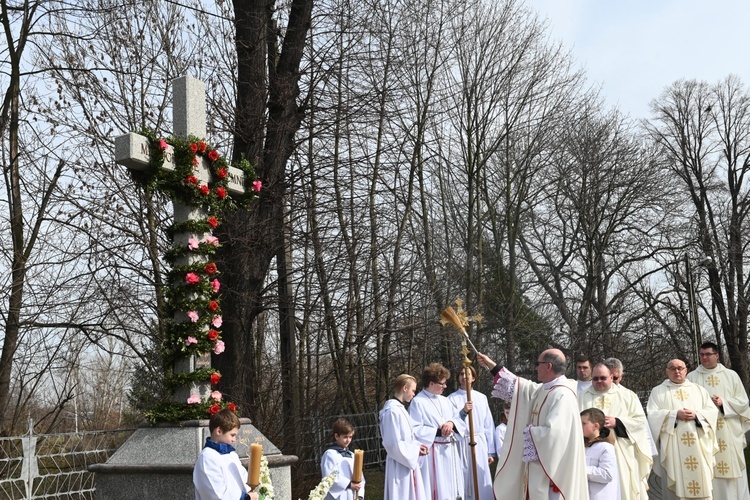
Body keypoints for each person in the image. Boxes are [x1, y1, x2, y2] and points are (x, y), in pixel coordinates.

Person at [477, 350, 589, 499]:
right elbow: (519, 387)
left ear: (548, 366)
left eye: (538, 364)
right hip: (538, 469)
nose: (536, 367)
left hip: (552, 475)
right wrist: (492, 365)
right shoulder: (544, 389)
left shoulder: (563, 394)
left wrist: (531, 433)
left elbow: (557, 436)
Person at [647, 358, 718, 500]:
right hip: (673, 447)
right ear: (667, 371)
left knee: (701, 477)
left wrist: (697, 415)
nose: (677, 371)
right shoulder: (658, 391)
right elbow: (652, 415)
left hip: (698, 445)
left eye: (680, 368)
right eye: (672, 368)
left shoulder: (698, 390)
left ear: (686, 370)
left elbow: (712, 412)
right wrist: (674, 414)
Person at [579, 363, 652, 499]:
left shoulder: (627, 395)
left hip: (621, 451)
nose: (599, 381)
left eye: (603, 378)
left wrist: (617, 422)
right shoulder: (582, 396)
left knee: (624, 487)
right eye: (595, 378)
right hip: (591, 452)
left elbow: (640, 422)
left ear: (611, 377)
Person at [687, 341, 750, 500]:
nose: (704, 358)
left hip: (728, 431)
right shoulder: (692, 377)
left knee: (732, 475)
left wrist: (724, 403)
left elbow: (743, 402)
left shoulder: (730, 375)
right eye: (702, 354)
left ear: (717, 355)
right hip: (705, 431)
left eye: (708, 354)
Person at [409, 363, 466, 500]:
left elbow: (457, 418)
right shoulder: (418, 402)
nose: (445, 387)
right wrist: (438, 431)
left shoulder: (445, 400)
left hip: (450, 449)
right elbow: (414, 429)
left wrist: (451, 423)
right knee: (438, 488)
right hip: (433, 452)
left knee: (453, 486)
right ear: (431, 383)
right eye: (442, 383)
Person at [447, 365, 495, 500]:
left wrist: (490, 451)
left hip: (479, 443)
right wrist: (462, 412)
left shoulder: (481, 397)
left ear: (473, 378)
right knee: (464, 475)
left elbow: (488, 425)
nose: (464, 377)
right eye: (461, 374)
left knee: (480, 476)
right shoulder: (451, 399)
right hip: (462, 442)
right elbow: (450, 420)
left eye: (468, 374)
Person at [380, 374, 428, 500]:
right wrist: (415, 451)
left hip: (406, 462)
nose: (414, 394)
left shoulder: (400, 409)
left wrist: (418, 446)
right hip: (399, 464)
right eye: (413, 390)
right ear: (405, 388)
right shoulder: (392, 411)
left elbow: (406, 439)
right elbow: (393, 444)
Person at [193, 409, 258, 500]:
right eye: (232, 435)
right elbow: (215, 492)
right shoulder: (207, 457)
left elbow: (243, 480)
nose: (234, 440)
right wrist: (245, 498)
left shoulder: (232, 454)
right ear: (219, 431)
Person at [581, 408, 621, 500]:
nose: (579, 426)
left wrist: (581, 470)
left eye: (583, 423)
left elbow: (607, 474)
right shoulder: (581, 445)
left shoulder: (606, 447)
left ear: (596, 426)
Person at [320, 418, 365, 500]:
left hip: (352, 495)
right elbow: (329, 477)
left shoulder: (352, 455)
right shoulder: (330, 454)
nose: (348, 440)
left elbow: (361, 477)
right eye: (345, 437)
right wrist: (348, 484)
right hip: (339, 496)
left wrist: (359, 495)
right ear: (336, 436)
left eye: (350, 437)